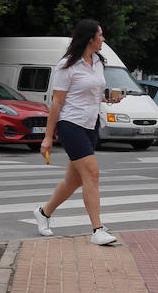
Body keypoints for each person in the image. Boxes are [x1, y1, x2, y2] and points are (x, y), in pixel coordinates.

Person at [33, 19, 119, 245]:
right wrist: (48, 137)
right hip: (70, 124)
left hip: (91, 124)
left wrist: (109, 99)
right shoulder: (67, 65)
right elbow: (57, 102)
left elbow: (93, 93)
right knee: (92, 174)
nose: (103, 39)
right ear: (90, 39)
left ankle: (43, 212)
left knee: (74, 181)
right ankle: (97, 230)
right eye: (100, 35)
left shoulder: (98, 61)